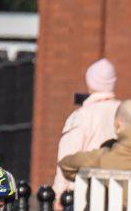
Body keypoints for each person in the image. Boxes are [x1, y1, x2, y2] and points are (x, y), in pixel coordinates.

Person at [51, 57, 121, 196]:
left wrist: (59, 192)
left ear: (90, 82)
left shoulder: (82, 115)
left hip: (83, 192)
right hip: (118, 191)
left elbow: (67, 156)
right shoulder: (127, 112)